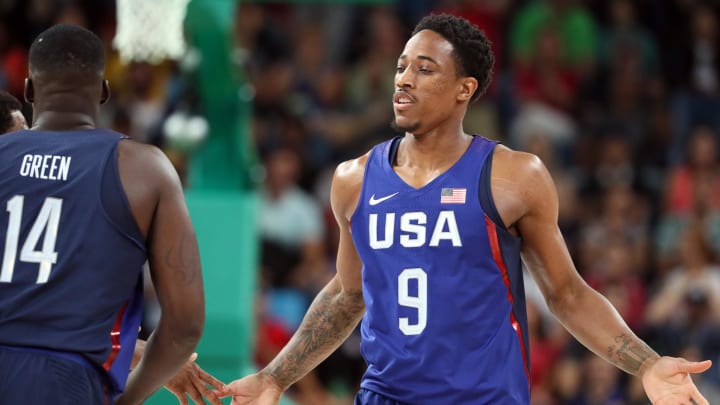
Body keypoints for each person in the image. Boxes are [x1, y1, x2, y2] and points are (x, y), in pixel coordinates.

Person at [219, 14, 712, 404]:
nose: (404, 80)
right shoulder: (353, 179)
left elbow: (567, 293)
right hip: (384, 396)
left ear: (465, 90)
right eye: (401, 67)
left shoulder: (515, 176)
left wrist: (645, 364)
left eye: (425, 69)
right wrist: (274, 377)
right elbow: (348, 294)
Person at [0, 53, 224, 405]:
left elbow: (39, 310)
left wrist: (136, 353)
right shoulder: (135, 168)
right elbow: (185, 325)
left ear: (29, 90)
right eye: (16, 139)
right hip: (64, 381)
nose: (26, 144)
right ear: (104, 91)